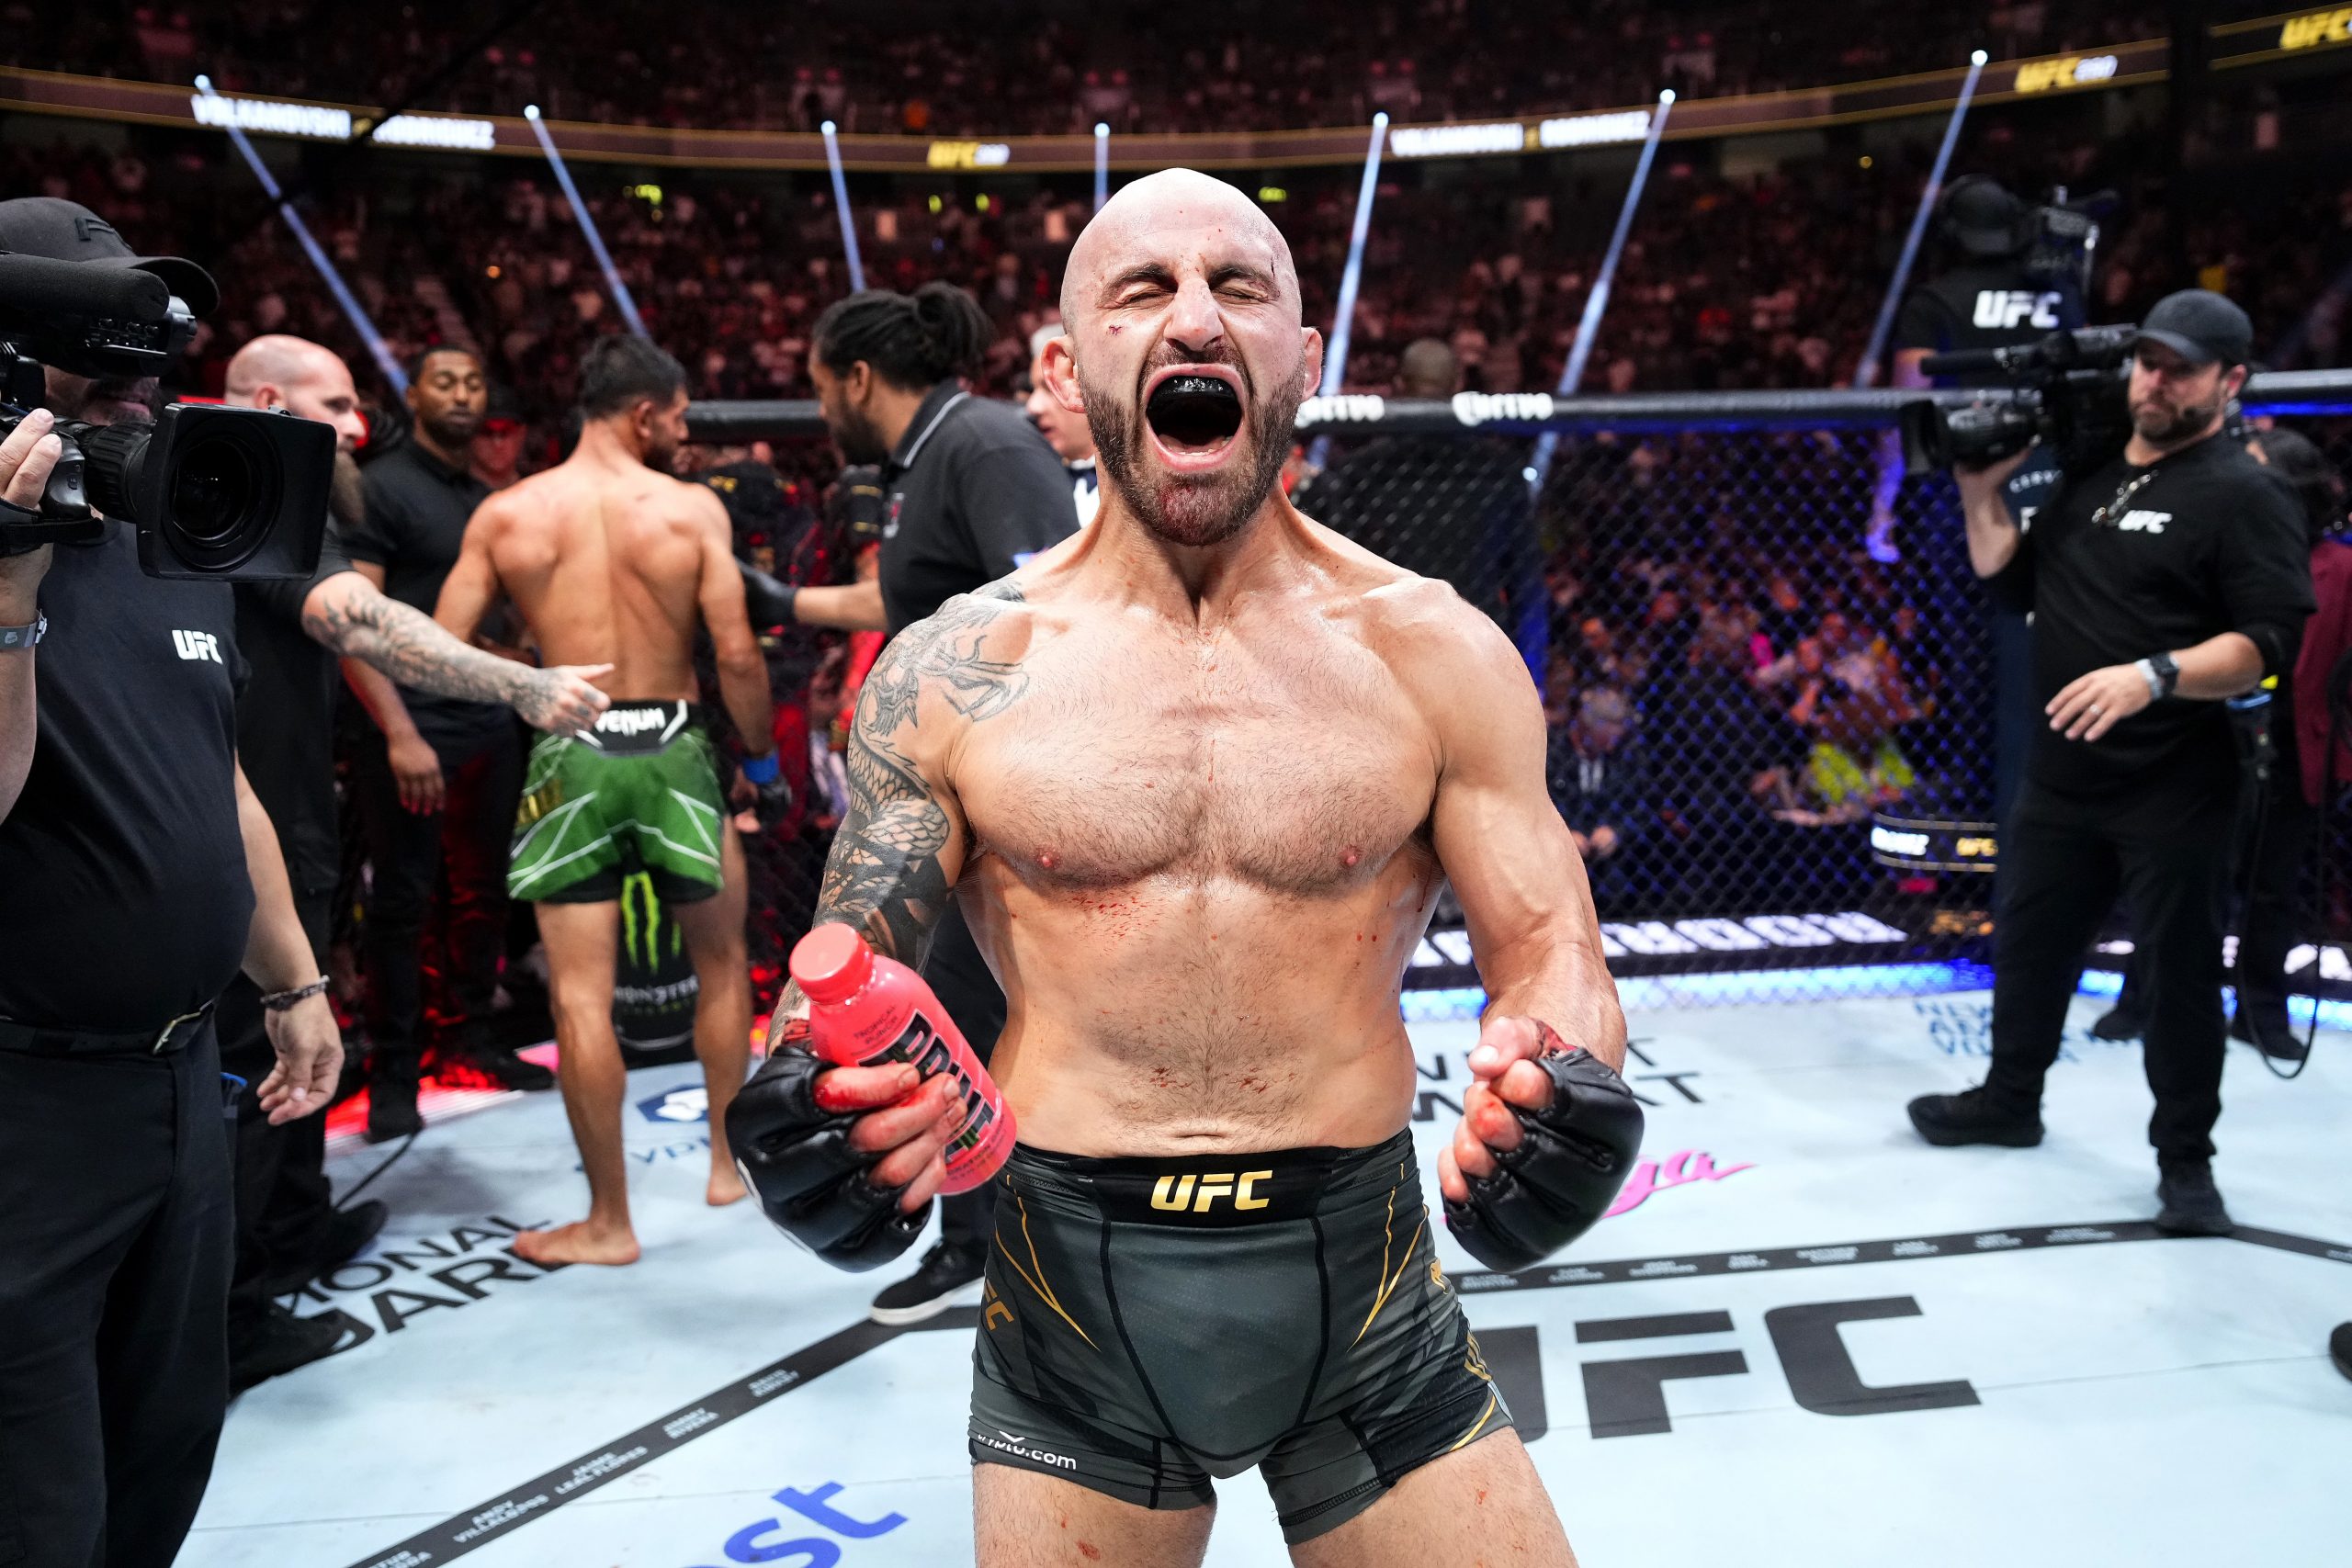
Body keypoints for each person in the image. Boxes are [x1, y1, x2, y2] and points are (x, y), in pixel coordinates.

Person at [729, 169, 1637, 1568]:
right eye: (1143, 290)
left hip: (1368, 1282)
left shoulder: (1434, 648)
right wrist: (811, 1120)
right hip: (1069, 1295)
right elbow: (849, 973)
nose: (1196, 318)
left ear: (1304, 359)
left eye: (1242, 287)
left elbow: (1550, 948)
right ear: (1070, 357)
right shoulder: (957, 672)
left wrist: (1568, 1090)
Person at [0, 197, 341, 1568]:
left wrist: (293, 976)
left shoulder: (177, 518)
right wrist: (12, 575)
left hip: (178, 1084)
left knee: (164, 1452)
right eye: (104, 370)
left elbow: (223, 777)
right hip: (26, 1113)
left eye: (155, 369)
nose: (144, 400)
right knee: (39, 1507)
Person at [215, 334, 612, 1386]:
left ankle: (297, 1230)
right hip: (246, 826)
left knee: (296, 1035)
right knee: (260, 1065)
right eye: (337, 406)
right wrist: (518, 685)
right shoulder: (246, 491)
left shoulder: (264, 493)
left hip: (292, 808)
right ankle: (234, 1312)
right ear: (267, 401)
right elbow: (363, 621)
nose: (357, 425)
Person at [1905, 289, 2314, 1236]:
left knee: (2175, 980)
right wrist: (1978, 493)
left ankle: (2185, 1163)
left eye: (2180, 367)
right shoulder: (2089, 472)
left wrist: (2154, 674)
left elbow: (2268, 642)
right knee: (2028, 947)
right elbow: (2011, 583)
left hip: (2173, 782)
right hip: (2062, 777)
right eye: (2147, 361)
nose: (2157, 380)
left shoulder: (2242, 491)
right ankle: (2010, 1101)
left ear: (2230, 381)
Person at [765, 282, 1080, 1325]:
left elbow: (1052, 611)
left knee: (956, 1011)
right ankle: (980, 1239)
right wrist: (776, 602)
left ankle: (993, 1242)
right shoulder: (926, 460)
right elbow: (915, 602)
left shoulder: (984, 445)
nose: (819, 413)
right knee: (945, 1010)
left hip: (1000, 796)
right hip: (948, 791)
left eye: (821, 389)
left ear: (857, 378)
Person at [434, 333, 775, 1267]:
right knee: (721, 964)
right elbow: (738, 654)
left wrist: (536, 680)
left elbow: (442, 648)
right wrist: (758, 757)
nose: (683, 433)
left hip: (571, 750)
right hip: (672, 749)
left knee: (580, 1000)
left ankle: (609, 1224)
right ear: (643, 414)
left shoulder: (509, 513)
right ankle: (721, 1166)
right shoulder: (689, 508)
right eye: (677, 417)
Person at [346, 344, 550, 1141]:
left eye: (473, 381)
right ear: (415, 393)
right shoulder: (382, 486)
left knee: (482, 893)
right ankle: (395, 1072)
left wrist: (519, 657)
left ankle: (469, 1040)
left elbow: (479, 619)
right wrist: (398, 729)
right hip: (410, 727)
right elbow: (356, 621)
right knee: (400, 903)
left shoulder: (481, 497)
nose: (463, 393)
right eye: (445, 381)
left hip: (484, 725)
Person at [1297, 338, 1547, 678]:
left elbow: (1326, 575)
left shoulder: (1359, 472)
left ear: (1398, 385)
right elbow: (1526, 583)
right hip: (1476, 650)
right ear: (1458, 385)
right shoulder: (1498, 471)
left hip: (1384, 651)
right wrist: (1532, 672)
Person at [1024, 322, 1102, 526]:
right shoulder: (1032, 483)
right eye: (1033, 389)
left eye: (1049, 388)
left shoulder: (1143, 484)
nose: (1033, 407)